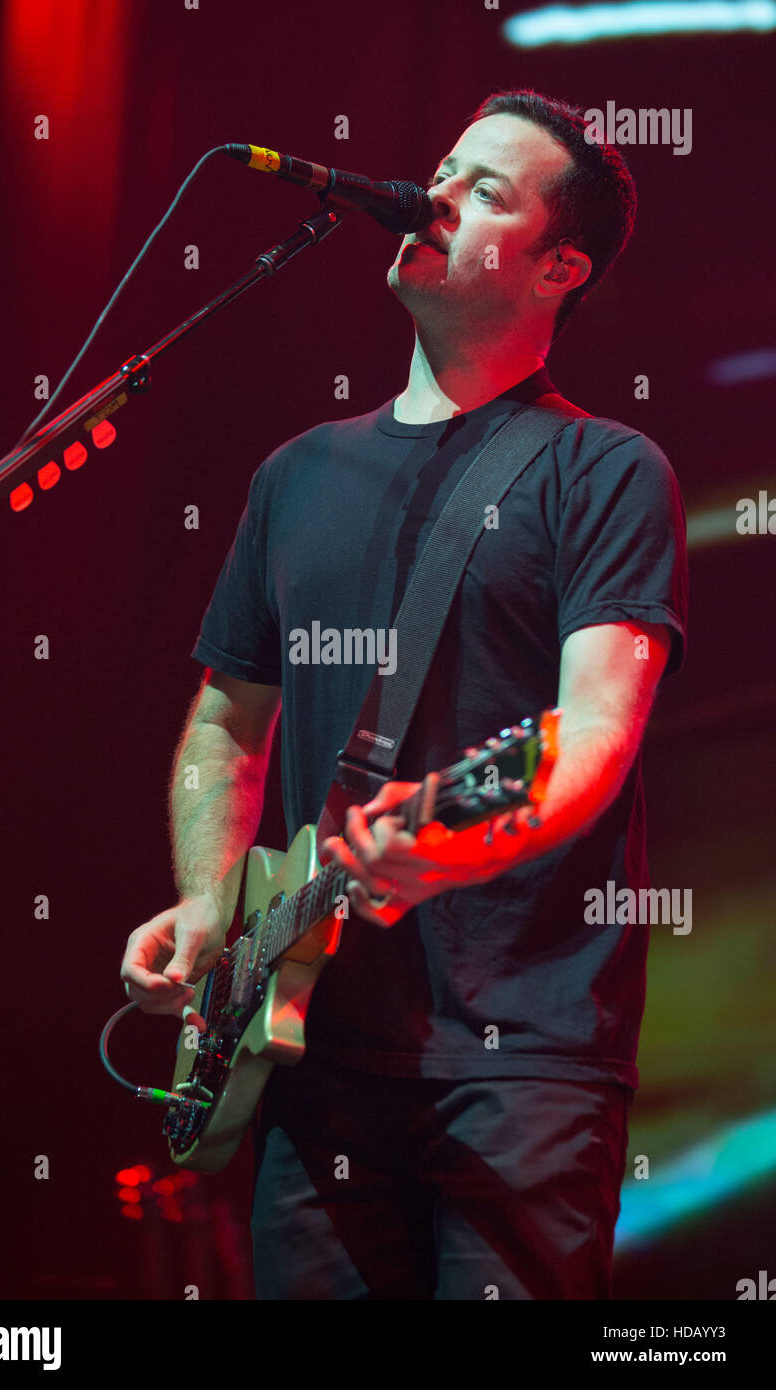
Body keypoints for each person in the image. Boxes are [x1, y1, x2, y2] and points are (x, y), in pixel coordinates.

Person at [120, 89, 688, 1300]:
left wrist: (474, 846)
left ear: (557, 266)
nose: (436, 196)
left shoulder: (604, 471)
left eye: (486, 190)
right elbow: (226, 725)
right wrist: (211, 904)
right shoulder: (298, 471)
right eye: (441, 169)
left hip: (519, 1064)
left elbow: (591, 728)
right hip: (309, 1050)